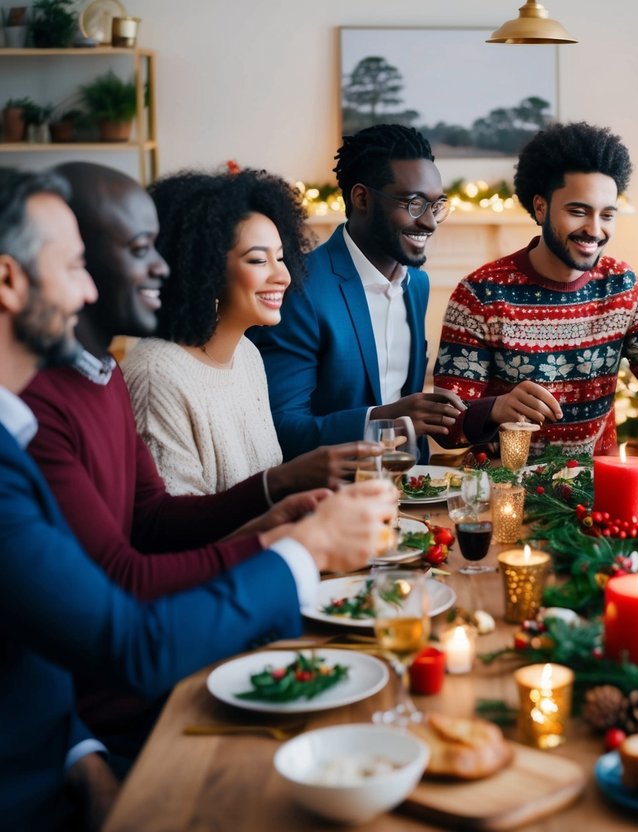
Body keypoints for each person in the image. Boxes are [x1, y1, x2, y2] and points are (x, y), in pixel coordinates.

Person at [0, 168, 395, 830]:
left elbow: (147, 520)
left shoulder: (93, 383)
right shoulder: (41, 420)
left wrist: (273, 519)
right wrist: (296, 549)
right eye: (75, 265)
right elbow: (126, 623)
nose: (92, 287)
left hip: (77, 740)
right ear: (10, 281)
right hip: (86, 747)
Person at [433, 121, 638, 456]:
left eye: (607, 215)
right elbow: (446, 426)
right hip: (503, 489)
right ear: (540, 207)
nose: (594, 230)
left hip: (594, 487)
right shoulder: (479, 295)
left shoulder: (624, 287)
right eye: (578, 211)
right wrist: (496, 408)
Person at [120, 168, 377, 496]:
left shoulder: (247, 355)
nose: (282, 276)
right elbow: (173, 531)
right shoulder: (157, 375)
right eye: (258, 261)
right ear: (205, 269)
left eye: (281, 258)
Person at [251, 124, 464, 461]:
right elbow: (282, 428)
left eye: (436, 206)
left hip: (414, 490)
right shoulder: (299, 290)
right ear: (361, 198)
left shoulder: (417, 284)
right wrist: (386, 420)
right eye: (413, 204)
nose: (430, 223)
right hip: (329, 496)